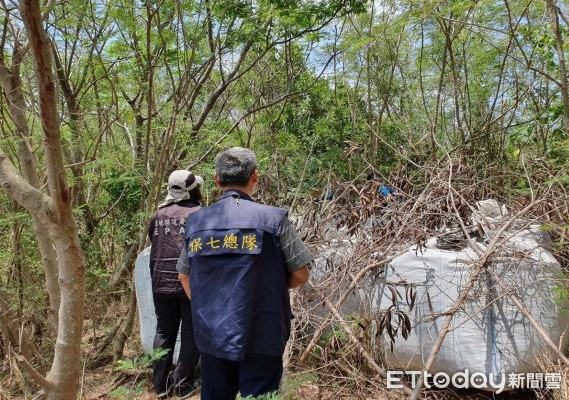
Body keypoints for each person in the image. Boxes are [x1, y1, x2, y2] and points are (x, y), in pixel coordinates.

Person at [177, 147, 312, 400]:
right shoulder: (275, 219)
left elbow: (183, 275)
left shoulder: (196, 222)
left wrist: (209, 308)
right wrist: (267, 286)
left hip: (212, 332)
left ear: (217, 181)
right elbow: (301, 273)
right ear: (255, 177)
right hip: (263, 330)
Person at [148, 170, 203, 398]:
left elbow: (154, 241)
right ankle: (182, 384)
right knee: (191, 333)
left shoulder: (157, 215)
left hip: (160, 282)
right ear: (193, 189)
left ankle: (160, 386)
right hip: (191, 284)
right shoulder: (201, 214)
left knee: (164, 332)